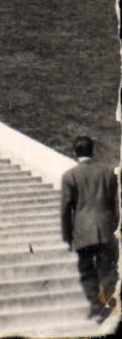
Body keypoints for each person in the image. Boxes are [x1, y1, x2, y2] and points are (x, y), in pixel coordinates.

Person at [61, 134, 119, 319]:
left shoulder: (70, 176)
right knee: (108, 269)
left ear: (74, 152)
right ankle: (104, 303)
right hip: (107, 229)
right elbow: (116, 203)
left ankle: (96, 304)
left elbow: (66, 209)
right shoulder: (108, 172)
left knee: (87, 271)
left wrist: (67, 237)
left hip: (83, 232)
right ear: (93, 151)